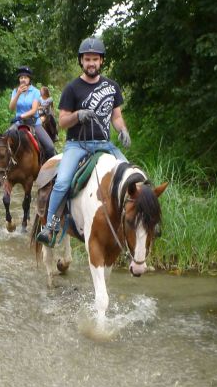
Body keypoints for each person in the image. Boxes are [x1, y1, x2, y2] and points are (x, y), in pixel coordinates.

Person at [36, 37, 131, 246]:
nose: (91, 63)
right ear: (81, 61)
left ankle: (133, 227)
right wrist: (78, 115)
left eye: (95, 59)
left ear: (101, 61)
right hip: (77, 145)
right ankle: (50, 226)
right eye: (87, 59)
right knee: (61, 182)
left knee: (132, 177)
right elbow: (62, 122)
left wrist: (123, 130)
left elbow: (116, 116)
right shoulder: (72, 88)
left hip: (104, 144)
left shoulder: (112, 87)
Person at [8, 66, 55, 158]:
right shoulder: (15, 91)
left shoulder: (35, 92)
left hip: (34, 123)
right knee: (5, 141)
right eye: (21, 78)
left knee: (50, 147)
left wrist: (21, 116)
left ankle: (48, 168)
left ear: (29, 79)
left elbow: (34, 110)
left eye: (25, 77)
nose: (23, 80)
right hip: (18, 123)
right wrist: (18, 94)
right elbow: (11, 107)